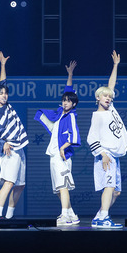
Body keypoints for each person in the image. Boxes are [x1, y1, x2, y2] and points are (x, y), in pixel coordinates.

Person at [87, 51, 127, 229]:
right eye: (105, 96)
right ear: (98, 98)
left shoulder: (111, 109)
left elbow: (110, 86)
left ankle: (100, 215)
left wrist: (115, 66)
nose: (109, 98)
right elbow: (91, 139)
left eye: (110, 97)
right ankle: (103, 217)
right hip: (106, 156)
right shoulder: (97, 116)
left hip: (114, 156)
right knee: (109, 186)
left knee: (116, 192)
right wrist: (103, 154)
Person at [34, 61, 81, 226]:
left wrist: (63, 147)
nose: (65, 102)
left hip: (63, 156)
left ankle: (64, 216)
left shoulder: (72, 116)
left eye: (69, 101)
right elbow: (68, 89)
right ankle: (72, 215)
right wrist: (70, 75)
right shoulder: (61, 112)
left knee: (63, 187)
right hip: (54, 154)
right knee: (59, 189)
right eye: (64, 100)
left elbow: (75, 136)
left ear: (74, 104)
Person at [0, 51, 29, 219]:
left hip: (19, 149)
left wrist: (3, 65)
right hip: (10, 151)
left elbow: (2, 82)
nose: (4, 95)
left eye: (6, 93)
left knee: (20, 185)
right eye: (1, 93)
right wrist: (2, 144)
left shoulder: (6, 105)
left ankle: (9, 216)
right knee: (9, 183)